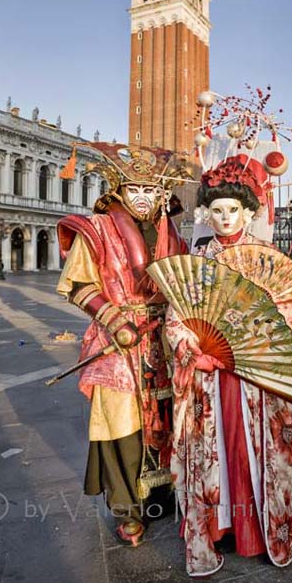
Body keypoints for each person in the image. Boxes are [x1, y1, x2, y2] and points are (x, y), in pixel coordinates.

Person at [165, 155, 292, 577]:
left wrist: (255, 349)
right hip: (210, 377)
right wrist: (194, 349)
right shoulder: (199, 259)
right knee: (218, 446)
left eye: (233, 210)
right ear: (206, 214)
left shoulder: (268, 257)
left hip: (255, 379)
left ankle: (260, 524)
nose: (225, 217)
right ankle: (222, 525)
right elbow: (177, 314)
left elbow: (290, 313)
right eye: (216, 210)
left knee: (255, 446)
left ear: (249, 213)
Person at [57, 143, 190, 547]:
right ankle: (128, 508)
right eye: (136, 190)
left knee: (168, 421)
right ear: (118, 190)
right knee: (123, 426)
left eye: (152, 191)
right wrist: (113, 319)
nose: (145, 198)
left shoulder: (173, 233)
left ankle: (160, 495)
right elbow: (77, 284)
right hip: (118, 342)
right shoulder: (95, 231)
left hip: (164, 342)